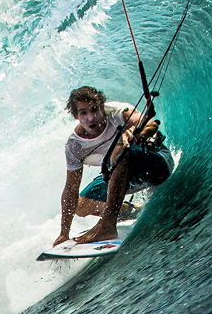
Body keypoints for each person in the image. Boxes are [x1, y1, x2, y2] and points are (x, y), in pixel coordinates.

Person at [53, 86, 173, 246]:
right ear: (75, 116)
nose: (91, 117)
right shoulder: (75, 145)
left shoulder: (118, 113)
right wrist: (64, 233)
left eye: (95, 110)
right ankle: (127, 210)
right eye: (83, 113)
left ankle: (108, 224)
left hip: (157, 164)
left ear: (102, 107)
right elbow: (70, 190)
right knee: (80, 205)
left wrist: (136, 134)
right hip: (122, 178)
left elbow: (150, 124)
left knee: (118, 149)